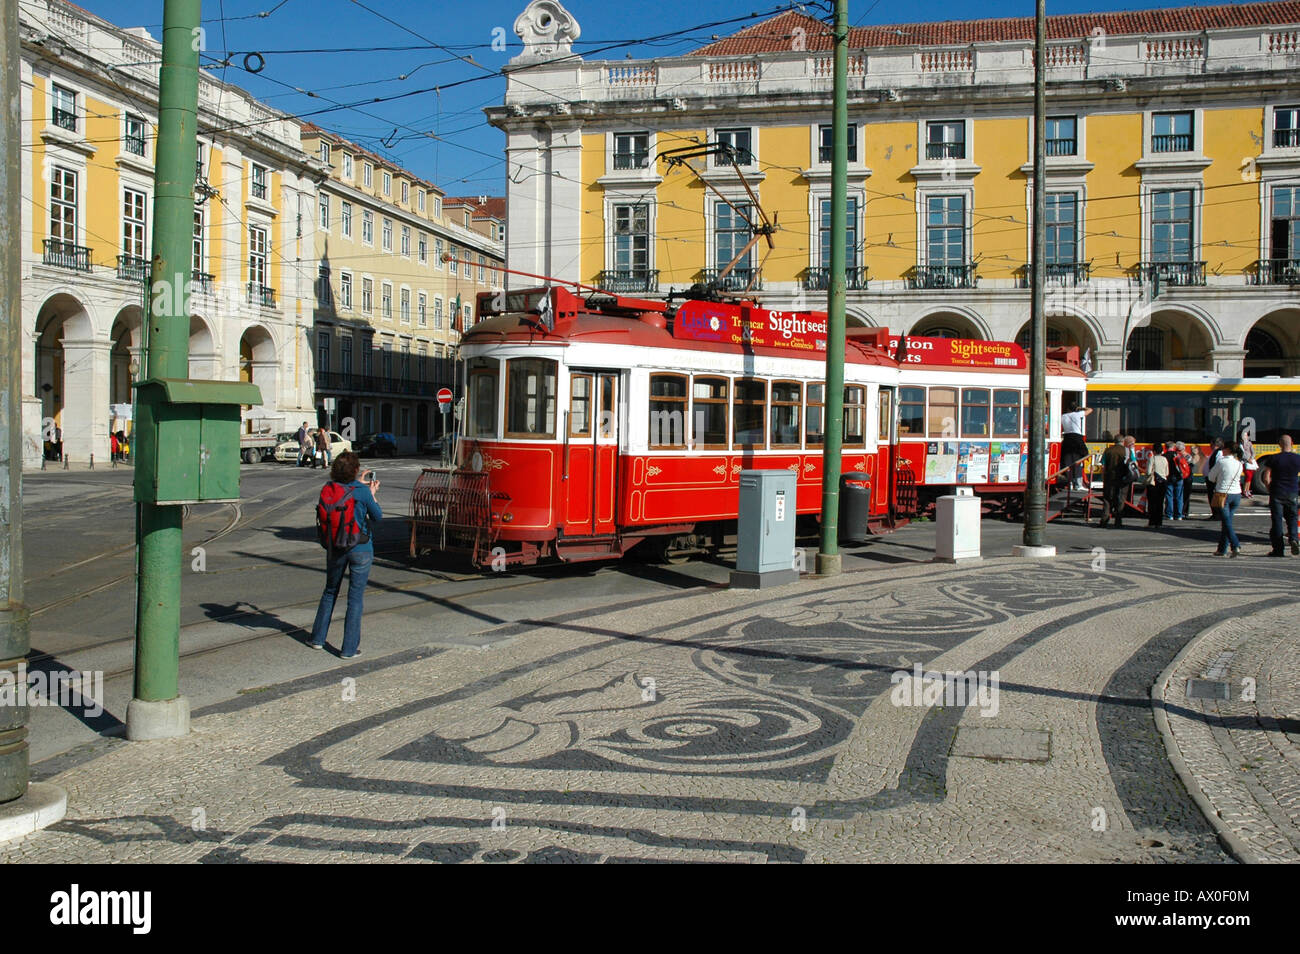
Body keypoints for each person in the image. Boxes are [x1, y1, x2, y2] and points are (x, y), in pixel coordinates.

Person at [309, 452, 382, 658]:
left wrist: (356, 483)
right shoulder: (362, 491)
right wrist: (372, 492)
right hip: (360, 549)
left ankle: (317, 639)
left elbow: (342, 494)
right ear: (356, 470)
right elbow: (377, 517)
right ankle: (348, 649)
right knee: (355, 599)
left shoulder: (329, 488)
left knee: (330, 591)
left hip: (335, 547)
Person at [1260, 434, 1300, 557]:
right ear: (1292, 443)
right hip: (1292, 492)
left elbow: (1266, 478)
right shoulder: (1298, 458)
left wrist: (1270, 489)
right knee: (1292, 518)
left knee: (1277, 521)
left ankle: (1278, 549)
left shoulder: (1273, 458)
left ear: (1279, 445)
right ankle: (1294, 538)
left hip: (1277, 492)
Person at [1208, 441, 1245, 557]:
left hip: (1223, 494)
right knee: (1227, 522)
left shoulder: (1221, 462)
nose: (1222, 450)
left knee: (1227, 523)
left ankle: (1235, 545)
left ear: (1228, 450)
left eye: (1223, 449)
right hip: (1237, 494)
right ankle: (1222, 549)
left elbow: (1211, 477)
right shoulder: (1239, 463)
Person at [1100, 434, 1135, 528]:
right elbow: (1133, 463)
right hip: (1123, 478)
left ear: (1114, 441)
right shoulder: (1127, 451)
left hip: (1109, 478)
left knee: (1107, 499)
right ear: (1123, 441)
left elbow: (1103, 466)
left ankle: (1104, 520)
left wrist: (1103, 478)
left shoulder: (1108, 450)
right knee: (1121, 499)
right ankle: (1118, 521)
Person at [1060, 402, 1094, 491]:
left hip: (1067, 438)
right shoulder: (1078, 414)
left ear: (1068, 409)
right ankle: (1078, 485)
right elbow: (1090, 410)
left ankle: (1070, 483)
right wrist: (1080, 408)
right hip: (1077, 438)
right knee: (1079, 462)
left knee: (1067, 462)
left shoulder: (1063, 416)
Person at [1145, 442, 1169, 527]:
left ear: (1153, 451)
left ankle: (1152, 522)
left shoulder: (1152, 459)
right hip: (1163, 483)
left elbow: (1148, 472)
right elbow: (1167, 472)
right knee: (1160, 503)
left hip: (1153, 483)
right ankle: (1159, 522)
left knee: (1152, 503)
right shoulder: (1165, 459)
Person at [1203, 438, 1224, 517]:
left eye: (1211, 444)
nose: (1210, 445)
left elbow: (1216, 465)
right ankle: (1215, 513)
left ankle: (1216, 514)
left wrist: (1214, 477)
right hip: (1211, 478)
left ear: (1215, 444)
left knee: (1213, 496)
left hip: (1213, 479)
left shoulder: (1219, 452)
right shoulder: (1215, 452)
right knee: (1211, 496)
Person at [1183, 443, 1202, 519]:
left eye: (1194, 449)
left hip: (1188, 478)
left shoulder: (1191, 457)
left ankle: (1184, 511)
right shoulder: (1189, 456)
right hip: (1188, 478)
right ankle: (1184, 511)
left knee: (1185, 495)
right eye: (1191, 449)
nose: (1192, 450)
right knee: (1185, 495)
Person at [1239, 428, 1257, 499]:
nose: (1245, 437)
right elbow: (1242, 454)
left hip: (1250, 462)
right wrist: (1247, 459)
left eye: (1246, 435)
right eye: (1243, 435)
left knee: (1250, 477)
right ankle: (1245, 491)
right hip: (1244, 462)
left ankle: (1247, 490)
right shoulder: (1240, 444)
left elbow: (1253, 452)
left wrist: (1251, 459)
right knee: (1248, 476)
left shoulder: (1249, 443)